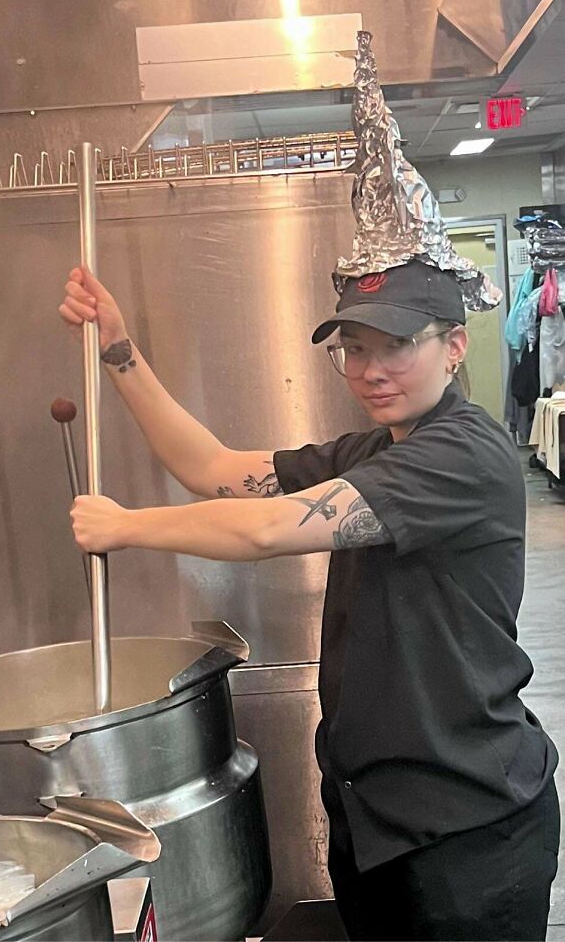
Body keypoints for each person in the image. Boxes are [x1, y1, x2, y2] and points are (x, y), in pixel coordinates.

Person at [60, 256, 559, 941]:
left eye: (396, 345)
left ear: (454, 345)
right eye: (354, 350)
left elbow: (270, 528)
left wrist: (128, 526)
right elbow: (211, 469)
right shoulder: (371, 451)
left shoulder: (466, 454)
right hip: (375, 821)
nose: (371, 369)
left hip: (466, 829)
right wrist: (119, 349)